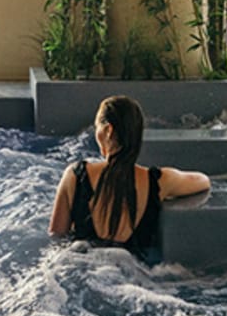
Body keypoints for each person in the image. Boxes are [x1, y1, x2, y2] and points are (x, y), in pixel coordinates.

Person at [49, 94, 209, 255]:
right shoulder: (159, 181)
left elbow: (56, 237)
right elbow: (203, 181)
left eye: (97, 127)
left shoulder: (76, 175)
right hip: (135, 274)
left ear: (108, 130)